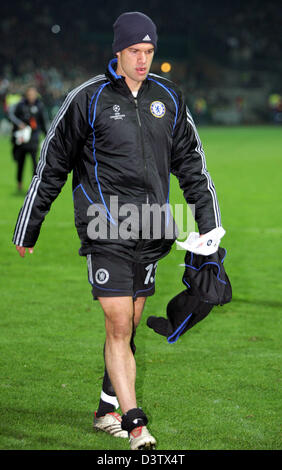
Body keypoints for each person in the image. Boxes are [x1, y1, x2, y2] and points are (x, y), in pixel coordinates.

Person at [13, 12, 222, 450]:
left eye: (149, 51)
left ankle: (107, 407)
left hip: (151, 228)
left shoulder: (169, 97)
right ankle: (135, 424)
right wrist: (28, 226)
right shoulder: (86, 98)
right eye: (135, 51)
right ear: (118, 51)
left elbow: (193, 166)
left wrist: (209, 225)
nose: (143, 59)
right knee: (118, 323)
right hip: (103, 226)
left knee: (131, 321)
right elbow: (51, 164)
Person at [8, 86, 47, 191]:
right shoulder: (20, 105)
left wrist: (47, 135)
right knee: (21, 162)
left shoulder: (40, 106)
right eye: (29, 94)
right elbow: (13, 117)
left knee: (35, 162)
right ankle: (19, 183)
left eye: (33, 94)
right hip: (22, 138)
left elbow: (43, 122)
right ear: (26, 94)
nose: (31, 96)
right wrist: (19, 124)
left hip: (34, 138)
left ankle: (34, 184)